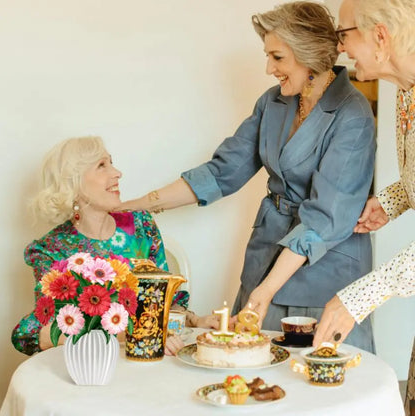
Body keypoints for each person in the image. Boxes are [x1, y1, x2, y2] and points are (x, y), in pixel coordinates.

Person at [120, 2, 377, 351]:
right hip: (266, 256)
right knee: (252, 377)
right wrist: (133, 206)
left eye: (278, 58)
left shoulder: (353, 115)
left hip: (325, 270)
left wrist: (267, 289)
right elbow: (221, 172)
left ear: (308, 54)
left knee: (313, 389)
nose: (269, 68)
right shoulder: (273, 102)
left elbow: (324, 219)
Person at [11, 136, 217, 357]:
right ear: (74, 182)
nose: (117, 173)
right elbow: (35, 332)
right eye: (102, 165)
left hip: (146, 362)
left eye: (111, 162)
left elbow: (167, 303)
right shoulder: (51, 249)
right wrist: (125, 335)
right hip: (89, 367)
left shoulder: (141, 225)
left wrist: (196, 321)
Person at [310, 0, 415, 413]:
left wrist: (361, 296)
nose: (340, 48)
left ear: (381, 36)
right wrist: (391, 201)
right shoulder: (406, 94)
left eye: (344, 34)